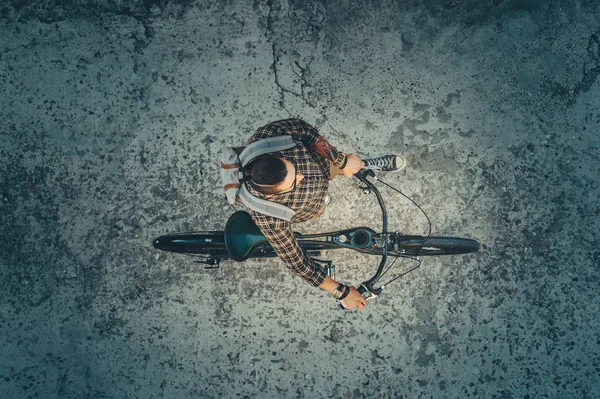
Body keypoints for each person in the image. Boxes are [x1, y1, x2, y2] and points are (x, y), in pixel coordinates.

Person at [241, 119, 405, 310]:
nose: (302, 176)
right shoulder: (268, 217)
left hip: (322, 165)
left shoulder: (268, 137)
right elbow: (297, 262)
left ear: (275, 156)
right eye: (294, 182)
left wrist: (341, 160)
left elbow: (303, 129)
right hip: (309, 205)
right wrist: (341, 292)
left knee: (348, 166)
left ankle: (364, 165)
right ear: (271, 195)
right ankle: (324, 198)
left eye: (293, 167)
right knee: (319, 209)